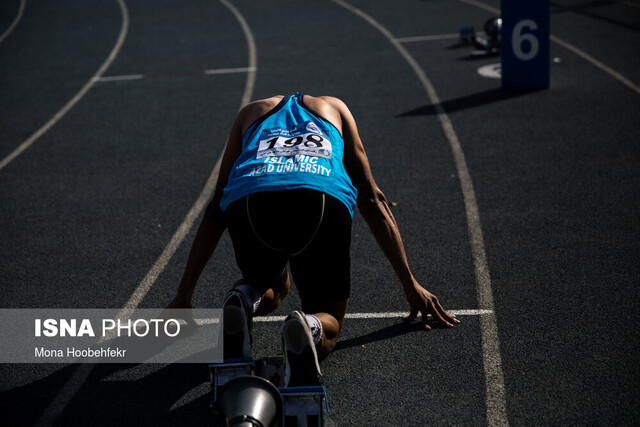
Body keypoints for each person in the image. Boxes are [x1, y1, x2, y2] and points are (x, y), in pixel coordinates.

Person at [167, 92, 459, 386]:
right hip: (318, 199)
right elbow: (372, 199)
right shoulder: (334, 107)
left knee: (266, 283)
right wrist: (410, 284)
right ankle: (310, 326)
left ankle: (243, 299)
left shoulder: (250, 112)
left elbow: (216, 209)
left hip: (252, 200)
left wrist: (184, 295)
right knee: (330, 316)